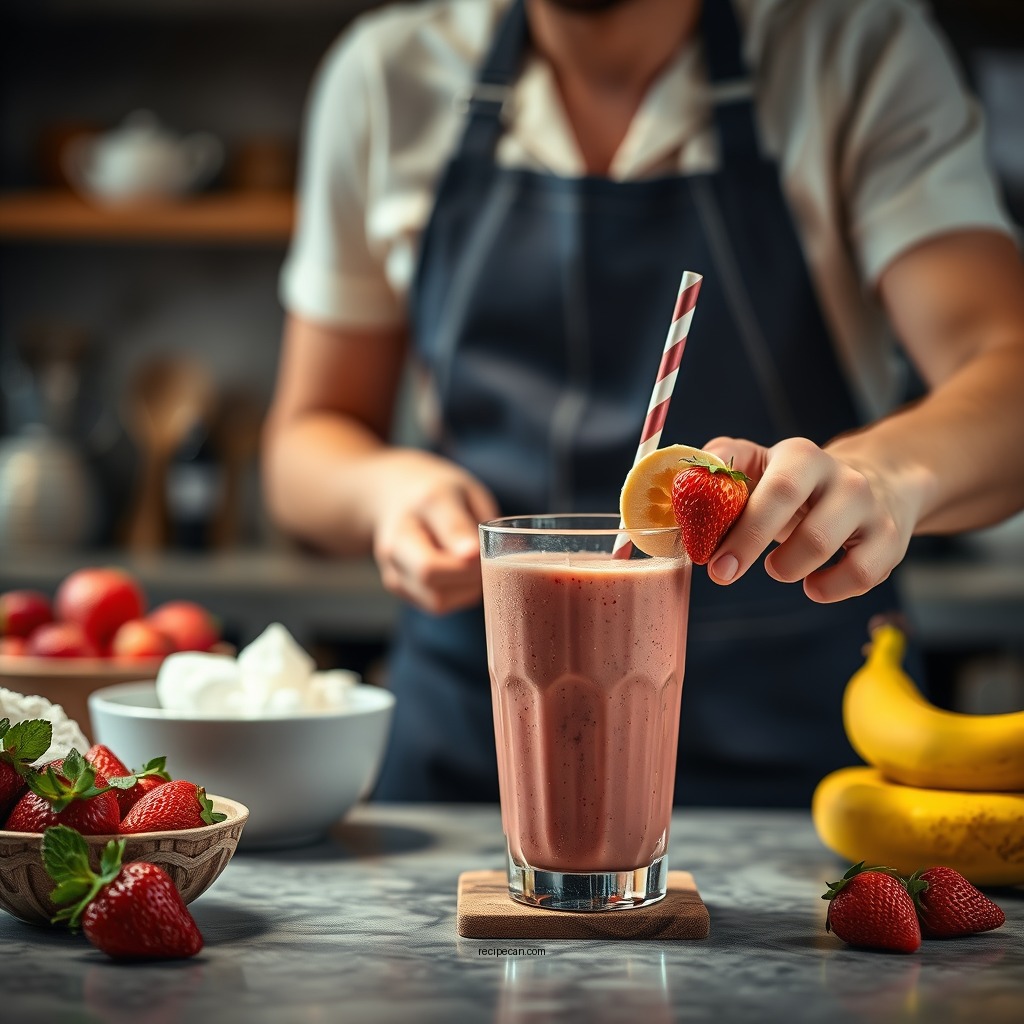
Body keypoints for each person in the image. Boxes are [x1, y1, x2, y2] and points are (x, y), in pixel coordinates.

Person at [263, 0, 1024, 807]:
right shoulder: (389, 76)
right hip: (478, 749)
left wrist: (888, 471)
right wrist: (389, 491)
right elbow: (306, 439)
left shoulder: (854, 51)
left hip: (795, 755)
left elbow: (1004, 366)